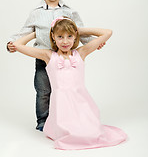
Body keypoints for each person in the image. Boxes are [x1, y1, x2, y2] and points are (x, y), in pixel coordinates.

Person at [7, 0, 105, 131]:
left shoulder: (69, 11)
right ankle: (43, 122)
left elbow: (78, 30)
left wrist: (93, 42)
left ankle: (62, 119)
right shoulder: (36, 13)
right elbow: (25, 31)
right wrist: (13, 43)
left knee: (63, 91)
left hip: (64, 57)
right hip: (43, 57)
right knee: (44, 90)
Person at [12, 16, 127, 150]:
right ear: (53, 37)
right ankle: (64, 127)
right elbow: (17, 45)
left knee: (91, 132)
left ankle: (84, 125)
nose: (65, 41)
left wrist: (79, 30)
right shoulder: (48, 56)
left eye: (69, 36)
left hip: (81, 103)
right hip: (61, 107)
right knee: (70, 133)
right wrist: (35, 33)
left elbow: (107, 32)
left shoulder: (81, 52)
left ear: (75, 36)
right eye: (60, 36)